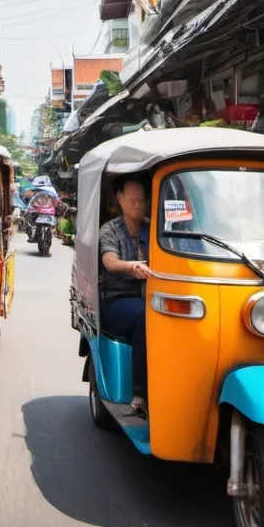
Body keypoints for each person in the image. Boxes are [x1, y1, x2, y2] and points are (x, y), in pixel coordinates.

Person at [98, 178, 152, 417]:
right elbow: (110, 262)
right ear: (119, 199)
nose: (137, 203)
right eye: (132, 198)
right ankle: (141, 393)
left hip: (153, 296)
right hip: (118, 299)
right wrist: (132, 267)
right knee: (145, 317)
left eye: (141, 199)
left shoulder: (155, 229)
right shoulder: (109, 230)